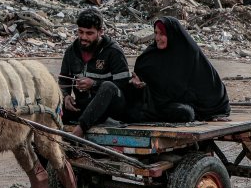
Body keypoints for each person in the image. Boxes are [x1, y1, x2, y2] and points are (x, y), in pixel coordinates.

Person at [126, 16, 230, 124]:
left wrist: (215, 111)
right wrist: (137, 82)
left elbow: (209, 85)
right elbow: (140, 77)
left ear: (171, 34)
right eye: (156, 33)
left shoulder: (189, 53)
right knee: (131, 111)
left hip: (174, 105)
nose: (157, 38)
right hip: (153, 104)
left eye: (162, 34)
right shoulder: (150, 55)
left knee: (185, 113)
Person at [58, 8, 131, 138]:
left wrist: (95, 84)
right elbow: (63, 81)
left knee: (108, 86)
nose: (84, 37)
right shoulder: (71, 52)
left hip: (112, 109)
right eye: (80, 32)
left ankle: (77, 134)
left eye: (89, 33)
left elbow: (124, 85)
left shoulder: (113, 52)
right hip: (85, 107)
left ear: (100, 32)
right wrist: (65, 97)